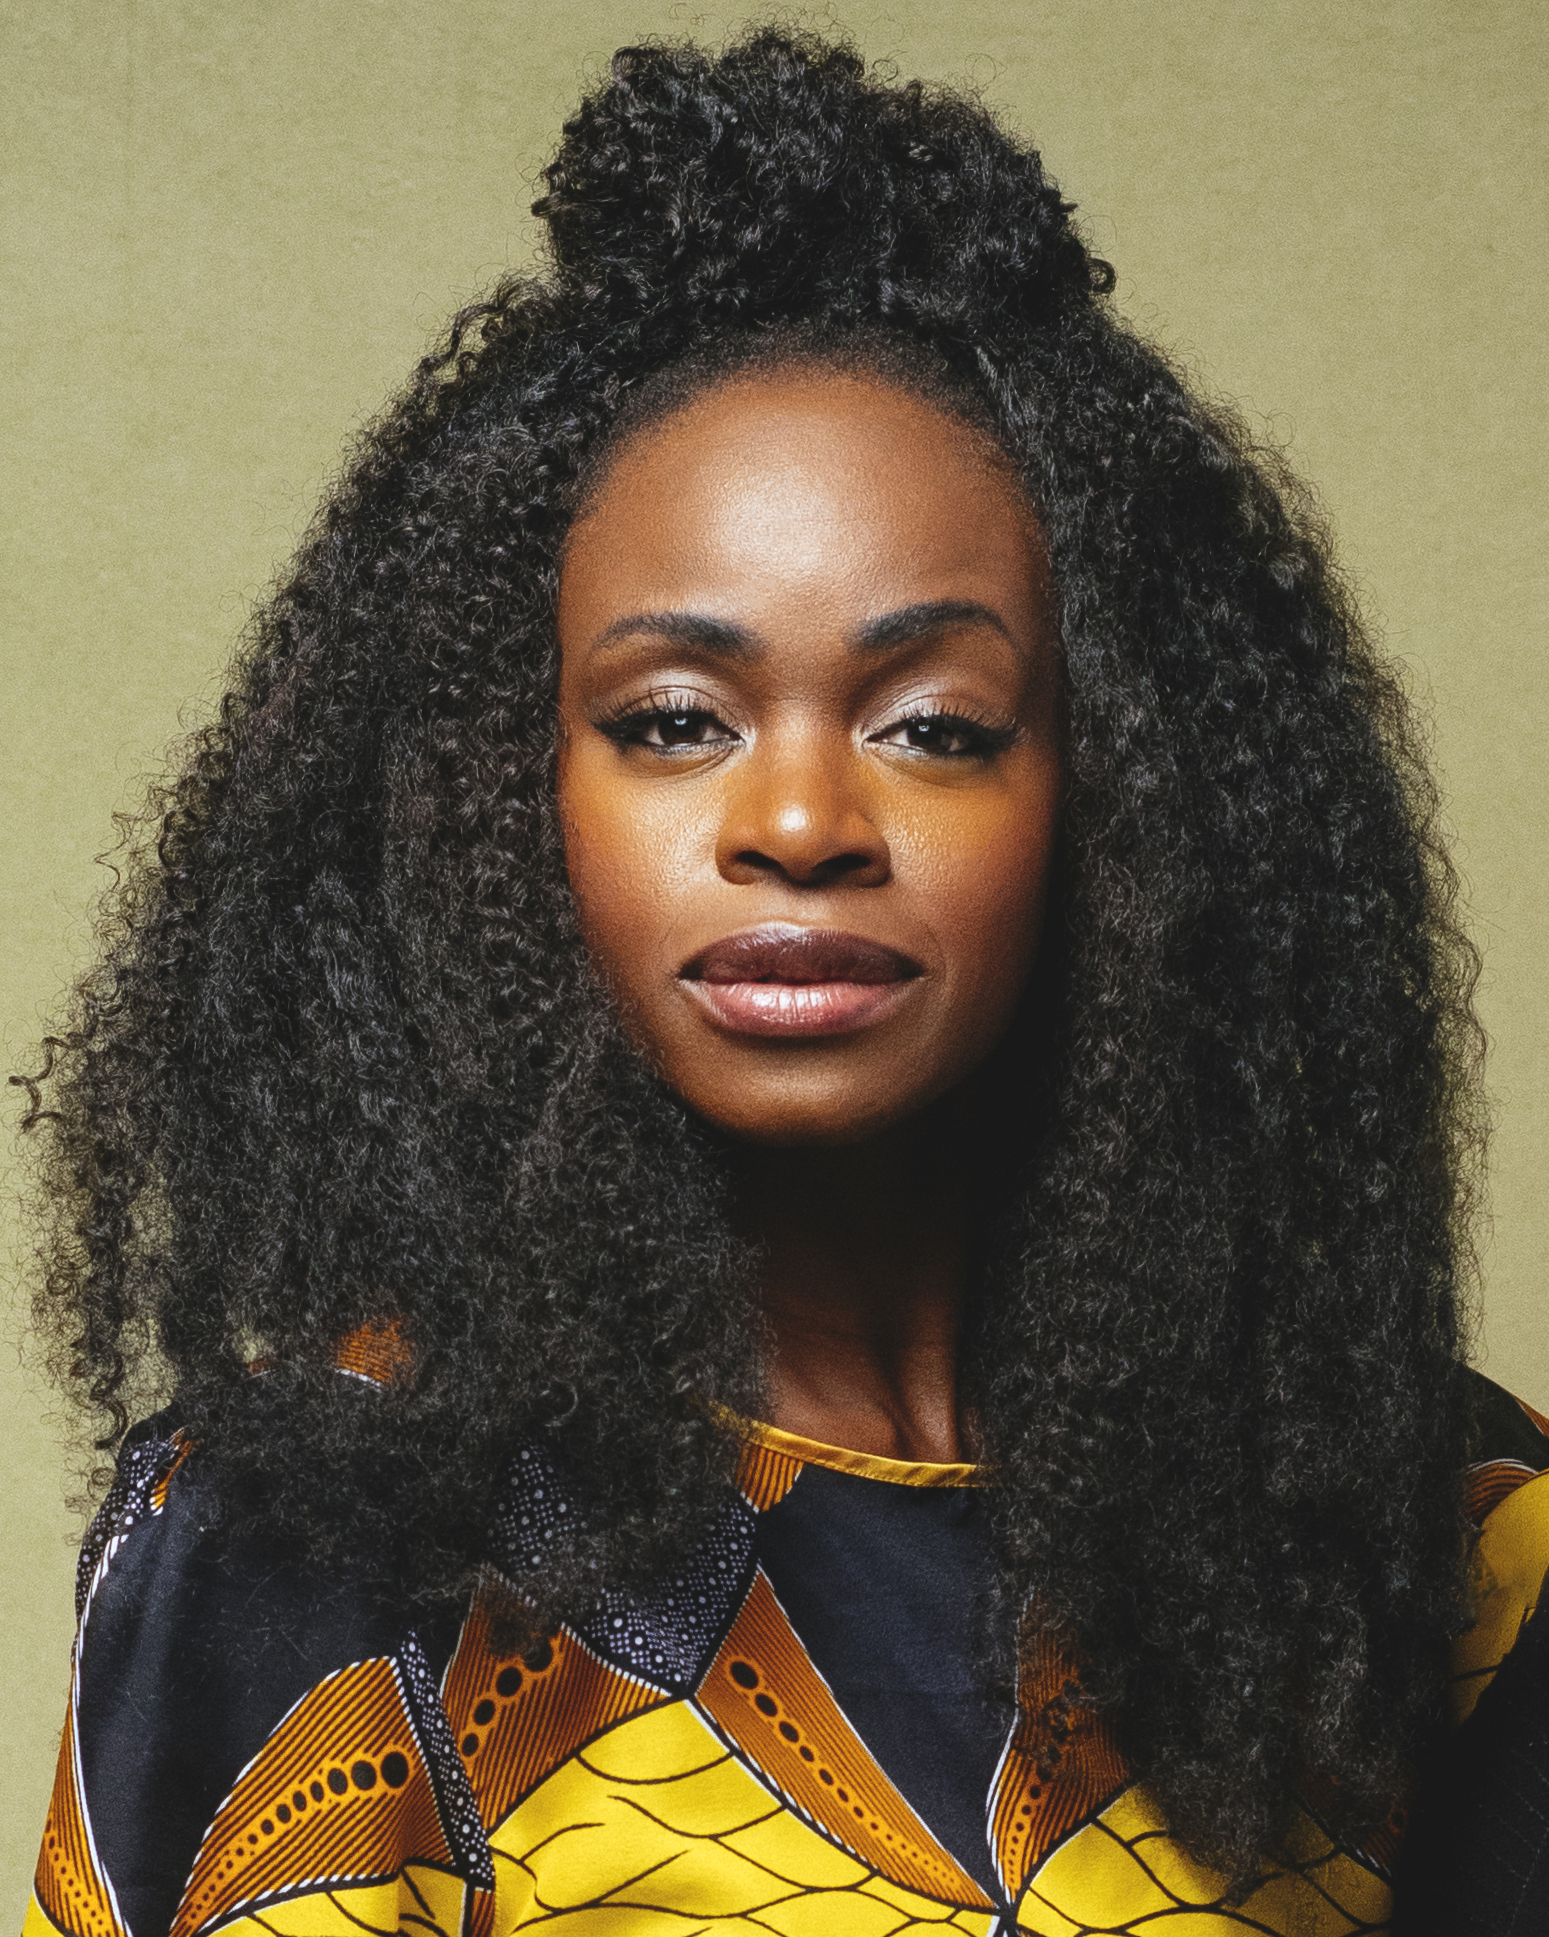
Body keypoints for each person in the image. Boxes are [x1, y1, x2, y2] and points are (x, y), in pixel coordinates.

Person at [17, 28, 1545, 1937]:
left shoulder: (1429, 1537)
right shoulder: (324, 1540)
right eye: (672, 719)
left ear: (1124, 800)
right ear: (511, 797)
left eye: (935, 723)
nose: (802, 815)